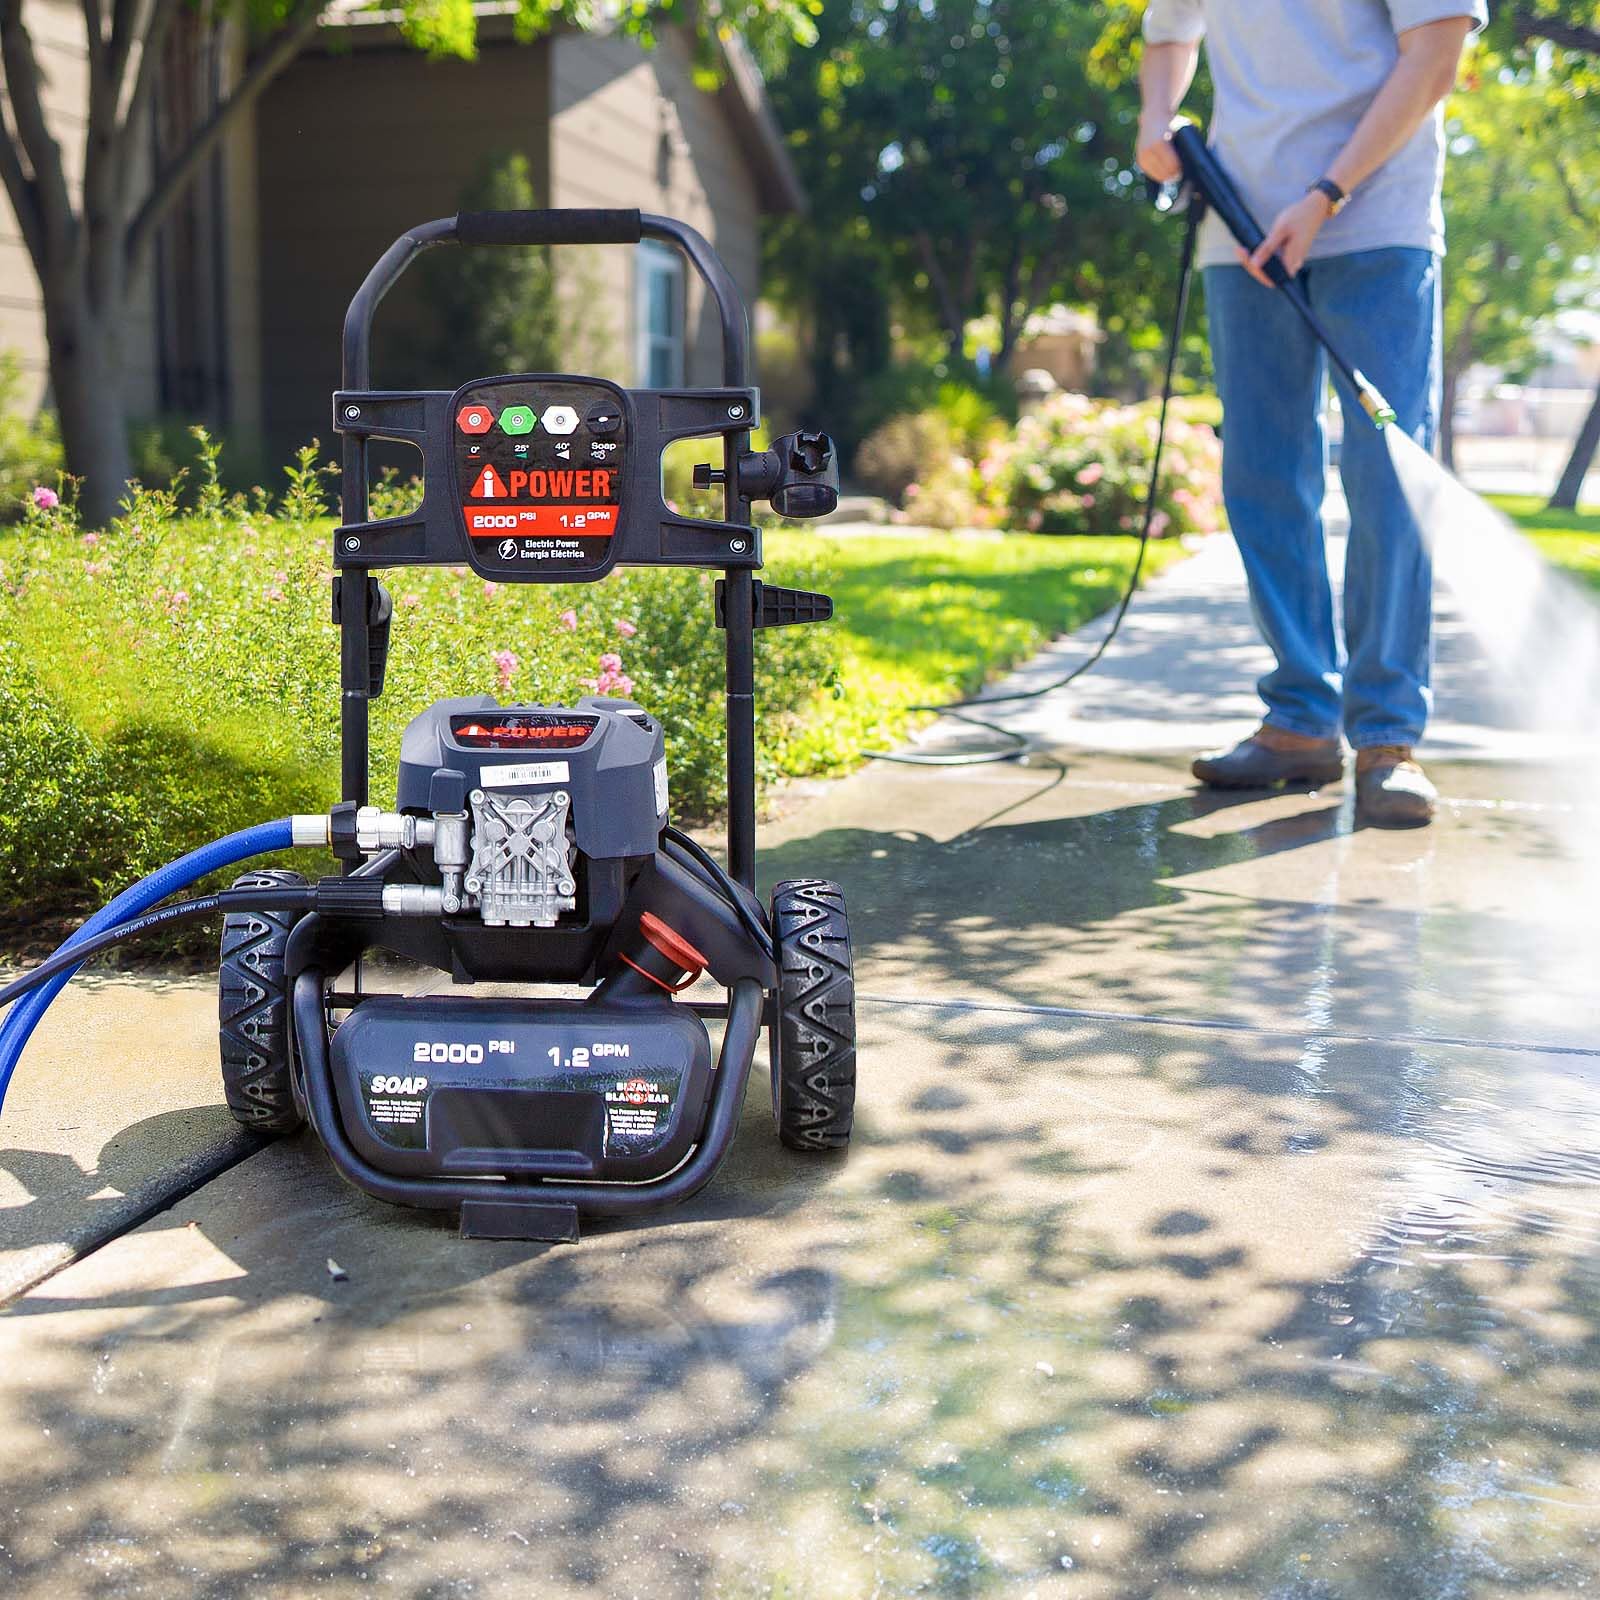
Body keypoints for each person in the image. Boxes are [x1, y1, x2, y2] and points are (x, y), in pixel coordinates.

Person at [1137, 0, 1485, 826]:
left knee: (1388, 472)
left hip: (1378, 221)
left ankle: (1388, 739)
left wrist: (1325, 196)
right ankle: (1299, 720)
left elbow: (1436, 54)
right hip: (1239, 225)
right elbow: (1169, 31)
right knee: (1262, 470)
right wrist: (1156, 119)